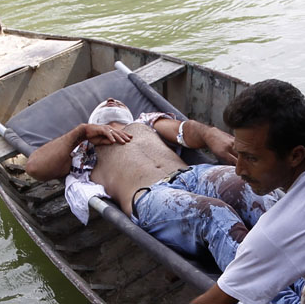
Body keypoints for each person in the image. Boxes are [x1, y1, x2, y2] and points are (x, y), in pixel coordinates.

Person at [24, 97, 300, 301]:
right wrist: (81, 132)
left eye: (114, 99)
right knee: (213, 214)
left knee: (249, 191)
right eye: (103, 104)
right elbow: (35, 167)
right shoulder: (82, 151)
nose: (109, 99)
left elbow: (186, 131)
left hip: (193, 174)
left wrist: (208, 133)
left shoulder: (145, 122)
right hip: (151, 196)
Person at [191, 80, 305, 304]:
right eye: (238, 154)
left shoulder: (278, 231)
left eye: (252, 158)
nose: (239, 169)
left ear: (295, 156)